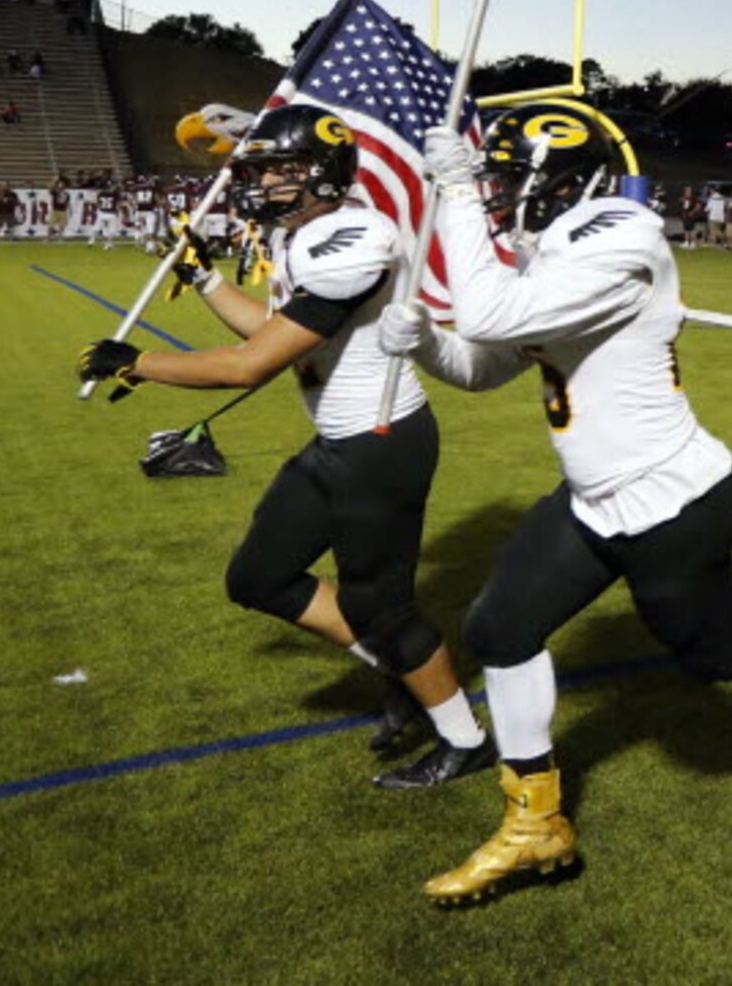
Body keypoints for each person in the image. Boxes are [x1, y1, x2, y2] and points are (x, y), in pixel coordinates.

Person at [399, 111, 732, 906]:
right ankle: (536, 824)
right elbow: (485, 364)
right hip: (593, 500)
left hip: (670, 497)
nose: (493, 194)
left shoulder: (621, 235)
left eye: (502, 177)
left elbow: (488, 315)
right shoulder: (559, 247)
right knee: (501, 628)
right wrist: (421, 339)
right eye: (483, 179)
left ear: (567, 179)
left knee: (714, 650)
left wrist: (452, 192)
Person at [71, 106, 491, 790]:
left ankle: (464, 739)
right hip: (339, 441)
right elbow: (273, 328)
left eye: (276, 169)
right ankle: (402, 676)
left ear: (322, 174)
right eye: (259, 168)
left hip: (380, 442)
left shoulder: (354, 237)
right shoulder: (309, 234)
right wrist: (207, 279)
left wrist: (134, 362)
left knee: (382, 609)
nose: (260, 181)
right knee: (258, 579)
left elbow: (249, 365)